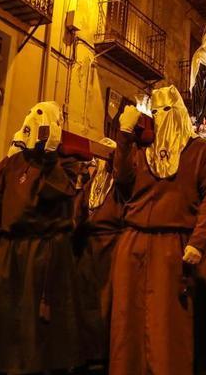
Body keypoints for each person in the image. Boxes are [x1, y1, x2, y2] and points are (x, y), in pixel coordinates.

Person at [109, 86, 206, 375]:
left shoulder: (200, 151)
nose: (160, 117)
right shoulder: (142, 151)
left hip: (173, 245)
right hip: (133, 242)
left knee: (167, 326)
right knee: (127, 323)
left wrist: (198, 241)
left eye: (166, 110)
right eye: (155, 111)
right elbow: (122, 182)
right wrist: (123, 137)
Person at [0, 101, 86, 374]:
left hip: (45, 248)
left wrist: (49, 160)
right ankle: (0, 363)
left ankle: (40, 365)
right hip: (12, 247)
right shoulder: (14, 161)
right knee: (6, 310)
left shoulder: (67, 162)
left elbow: (57, 193)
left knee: (38, 314)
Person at [73, 139, 123, 368]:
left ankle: (105, 353)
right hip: (88, 247)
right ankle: (87, 351)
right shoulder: (91, 185)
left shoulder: (119, 183)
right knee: (86, 302)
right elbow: (79, 213)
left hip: (111, 247)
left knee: (107, 302)